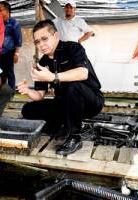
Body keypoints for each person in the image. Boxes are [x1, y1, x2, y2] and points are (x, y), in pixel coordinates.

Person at [17, 20, 104, 156]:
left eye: (44, 39)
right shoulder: (43, 62)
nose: (41, 45)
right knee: (28, 109)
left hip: (90, 102)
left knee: (73, 85)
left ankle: (74, 136)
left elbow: (83, 73)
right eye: (37, 41)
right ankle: (61, 126)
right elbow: (40, 96)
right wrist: (27, 91)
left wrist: (53, 77)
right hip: (64, 103)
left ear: (56, 35)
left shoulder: (73, 48)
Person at [0, 1, 22, 91]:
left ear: (7, 10)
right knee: (1, 74)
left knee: (10, 73)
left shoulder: (14, 23)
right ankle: (3, 93)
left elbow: (19, 40)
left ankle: (11, 93)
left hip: (9, 52)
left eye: (1, 10)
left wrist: (16, 54)